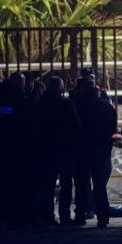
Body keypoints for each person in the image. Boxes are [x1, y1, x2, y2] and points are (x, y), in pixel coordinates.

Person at [36, 77, 81, 226]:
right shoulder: (66, 104)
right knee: (66, 184)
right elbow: (75, 127)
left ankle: (47, 216)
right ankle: (64, 216)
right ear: (61, 88)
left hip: (45, 149)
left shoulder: (40, 105)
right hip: (64, 150)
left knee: (47, 185)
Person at [0, 72, 36, 228]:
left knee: (2, 183)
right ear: (20, 83)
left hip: (1, 145)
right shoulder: (19, 98)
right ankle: (16, 217)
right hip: (18, 146)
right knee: (17, 183)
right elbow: (24, 120)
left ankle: (1, 216)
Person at [74, 78, 117, 228]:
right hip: (100, 150)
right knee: (100, 185)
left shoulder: (77, 105)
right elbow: (112, 128)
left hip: (82, 150)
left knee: (81, 184)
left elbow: (74, 127)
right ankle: (103, 217)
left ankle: (80, 215)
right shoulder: (106, 106)